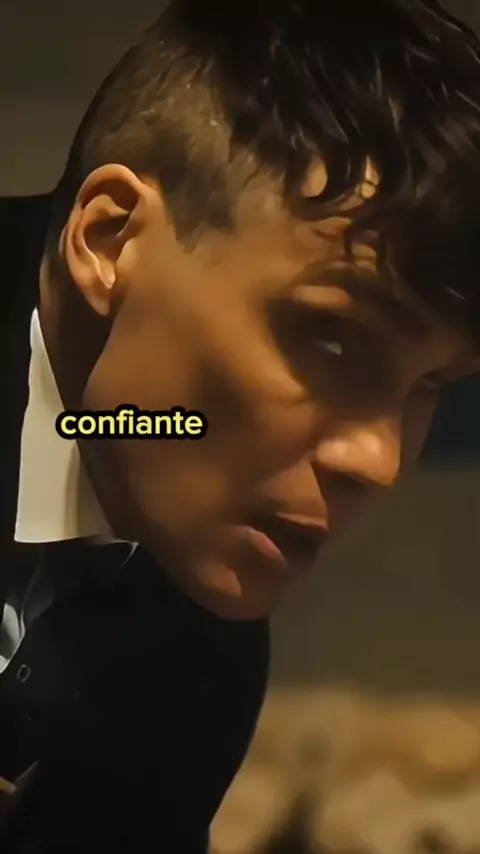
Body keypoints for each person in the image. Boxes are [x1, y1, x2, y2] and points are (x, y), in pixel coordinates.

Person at [1, 0, 480, 850]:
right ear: (110, 240)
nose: (378, 462)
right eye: (331, 337)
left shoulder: (197, 667)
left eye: (431, 384)